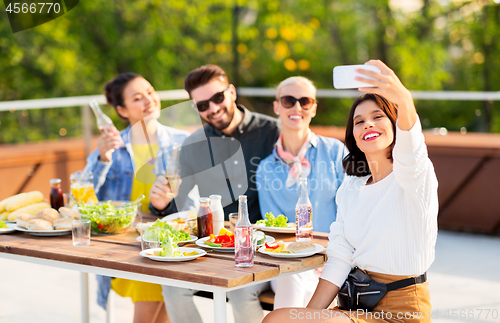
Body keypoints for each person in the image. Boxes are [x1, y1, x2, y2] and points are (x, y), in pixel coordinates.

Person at [263, 60, 438, 323]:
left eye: (378, 117)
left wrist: (403, 98)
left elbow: (412, 149)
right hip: (355, 304)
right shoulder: (352, 186)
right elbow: (340, 256)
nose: (368, 124)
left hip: (401, 309)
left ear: (394, 124)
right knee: (279, 319)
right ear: (353, 135)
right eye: (359, 121)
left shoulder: (413, 177)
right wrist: (308, 317)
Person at [149, 64, 280, 323]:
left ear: (231, 92)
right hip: (214, 247)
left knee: (241, 290)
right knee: (172, 285)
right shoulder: (192, 144)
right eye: (202, 105)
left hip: (266, 247)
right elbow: (176, 206)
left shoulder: (273, 132)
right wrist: (162, 204)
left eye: (218, 97)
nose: (213, 108)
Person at [84, 72, 189, 323]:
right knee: (156, 283)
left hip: (169, 238)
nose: (149, 101)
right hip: (124, 243)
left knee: (167, 299)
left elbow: (194, 200)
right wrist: (103, 158)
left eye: (150, 92)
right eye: (137, 98)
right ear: (122, 110)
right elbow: (84, 190)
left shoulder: (181, 141)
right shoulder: (113, 146)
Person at [255, 76, 346, 311]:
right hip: (287, 261)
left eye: (305, 101)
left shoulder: (335, 151)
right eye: (288, 100)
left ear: (313, 108)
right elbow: (273, 229)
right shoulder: (265, 168)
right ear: (277, 107)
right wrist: (299, 259)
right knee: (293, 276)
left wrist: (327, 259)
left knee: (303, 287)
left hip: (333, 260)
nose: (297, 107)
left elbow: (351, 212)